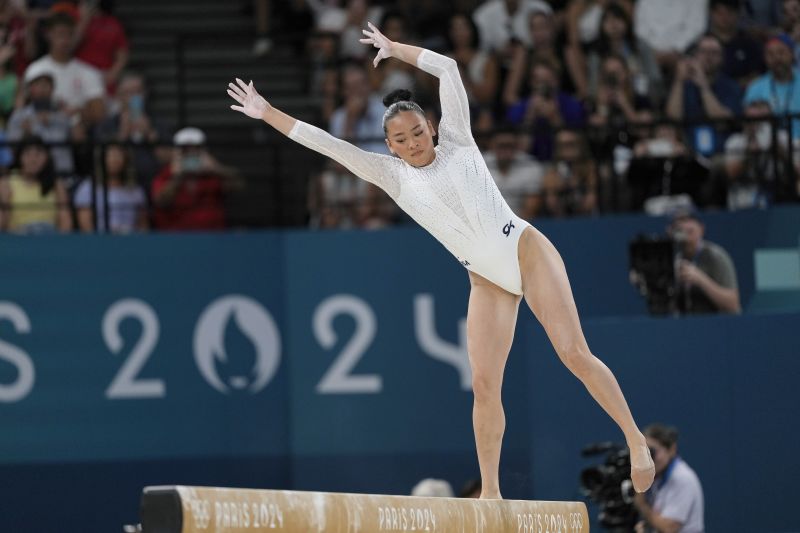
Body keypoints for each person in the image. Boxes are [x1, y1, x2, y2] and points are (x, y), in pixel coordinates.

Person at [227, 21, 655, 499]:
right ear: (388, 145)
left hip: (525, 249)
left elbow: (448, 68)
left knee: (574, 353)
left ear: (431, 126)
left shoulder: (458, 140)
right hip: (486, 280)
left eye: (417, 132)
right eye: (402, 140)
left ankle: (636, 440)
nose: (413, 144)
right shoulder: (390, 176)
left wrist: (395, 49)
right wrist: (267, 113)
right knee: (484, 384)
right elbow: (328, 143)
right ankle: (490, 492)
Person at [151, 127, 242, 231]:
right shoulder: (166, 174)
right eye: (185, 149)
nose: (191, 153)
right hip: (177, 238)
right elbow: (159, 201)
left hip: (213, 237)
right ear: (177, 152)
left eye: (196, 149)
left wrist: (216, 169)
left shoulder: (213, 174)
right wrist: (178, 178)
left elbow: (239, 186)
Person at [665, 34, 743, 156]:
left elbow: (722, 122)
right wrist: (679, 81)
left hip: (722, 154)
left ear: (721, 58)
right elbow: (673, 118)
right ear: (696, 56)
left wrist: (703, 86)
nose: (708, 57)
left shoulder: (730, 87)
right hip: (689, 153)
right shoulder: (685, 85)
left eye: (714, 53)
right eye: (703, 52)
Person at [22, 12, 105, 126]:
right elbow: (25, 108)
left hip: (78, 133)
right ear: (48, 35)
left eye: (69, 35)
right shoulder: (35, 70)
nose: (65, 41)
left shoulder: (89, 72)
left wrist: (79, 112)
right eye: (60, 34)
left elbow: (99, 114)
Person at [633, 423, 705, 533]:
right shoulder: (658, 476)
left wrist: (642, 504)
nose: (648, 460)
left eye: (651, 452)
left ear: (671, 449)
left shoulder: (682, 478)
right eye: (644, 453)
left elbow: (669, 527)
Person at [669, 209, 741, 314]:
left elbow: (733, 305)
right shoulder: (671, 258)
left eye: (690, 231)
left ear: (701, 229)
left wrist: (700, 279)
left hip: (714, 324)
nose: (685, 235)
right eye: (679, 230)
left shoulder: (715, 256)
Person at [0, 136, 71, 233]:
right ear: (20, 157)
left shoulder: (56, 183)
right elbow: (2, 225)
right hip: (18, 238)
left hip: (48, 237)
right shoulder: (7, 182)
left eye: (38, 154)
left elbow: (65, 222)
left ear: (46, 157)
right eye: (28, 154)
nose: (33, 160)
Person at [73, 143, 148, 233]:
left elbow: (143, 225)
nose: (115, 160)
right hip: (100, 241)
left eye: (119, 155)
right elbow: (86, 226)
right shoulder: (88, 188)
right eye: (111, 155)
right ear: (102, 159)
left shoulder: (136, 190)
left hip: (131, 241)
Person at [744, 34, 800, 139]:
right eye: (770, 54)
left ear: (792, 54)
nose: (777, 58)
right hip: (769, 146)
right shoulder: (755, 87)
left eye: (781, 52)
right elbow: (751, 126)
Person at [483, 125, 544, 219]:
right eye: (501, 146)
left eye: (509, 146)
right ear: (492, 145)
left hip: (520, 225)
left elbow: (531, 207)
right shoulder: (479, 164)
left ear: (517, 146)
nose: (505, 150)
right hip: (486, 222)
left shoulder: (531, 166)